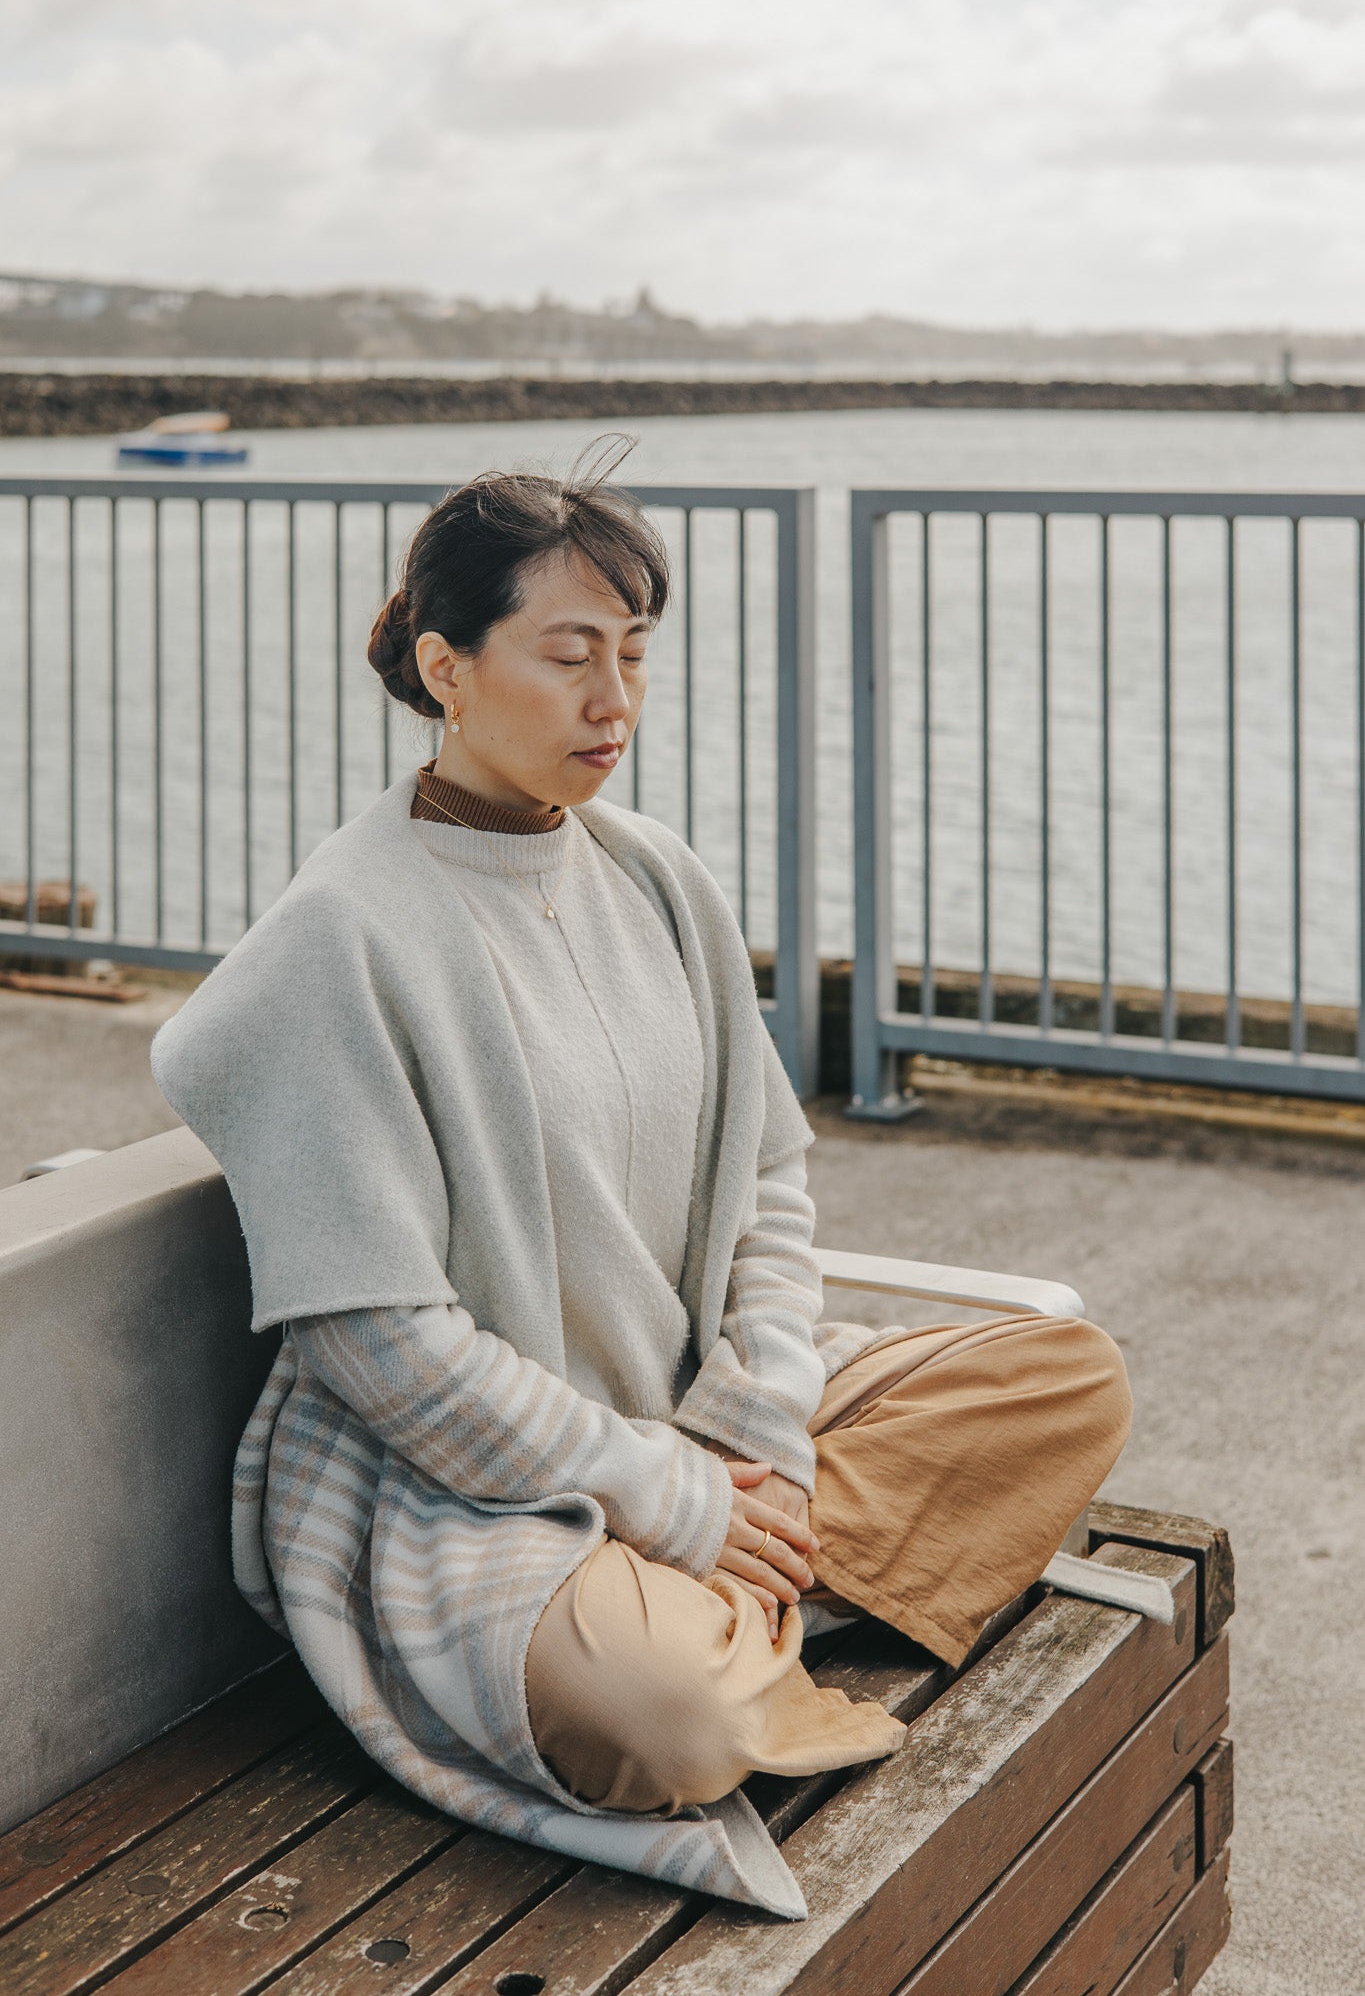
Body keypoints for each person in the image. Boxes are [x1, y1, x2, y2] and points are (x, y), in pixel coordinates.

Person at [149, 439, 1132, 1919]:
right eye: (567, 656)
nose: (614, 702)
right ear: (448, 666)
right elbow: (374, 1348)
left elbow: (770, 1192)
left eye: (634, 655)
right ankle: (730, 1617)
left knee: (1064, 1378)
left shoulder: (656, 873)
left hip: (695, 1421)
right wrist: (661, 1495)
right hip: (461, 1494)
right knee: (671, 1722)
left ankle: (730, 1590)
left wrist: (753, 1433)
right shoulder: (335, 940)